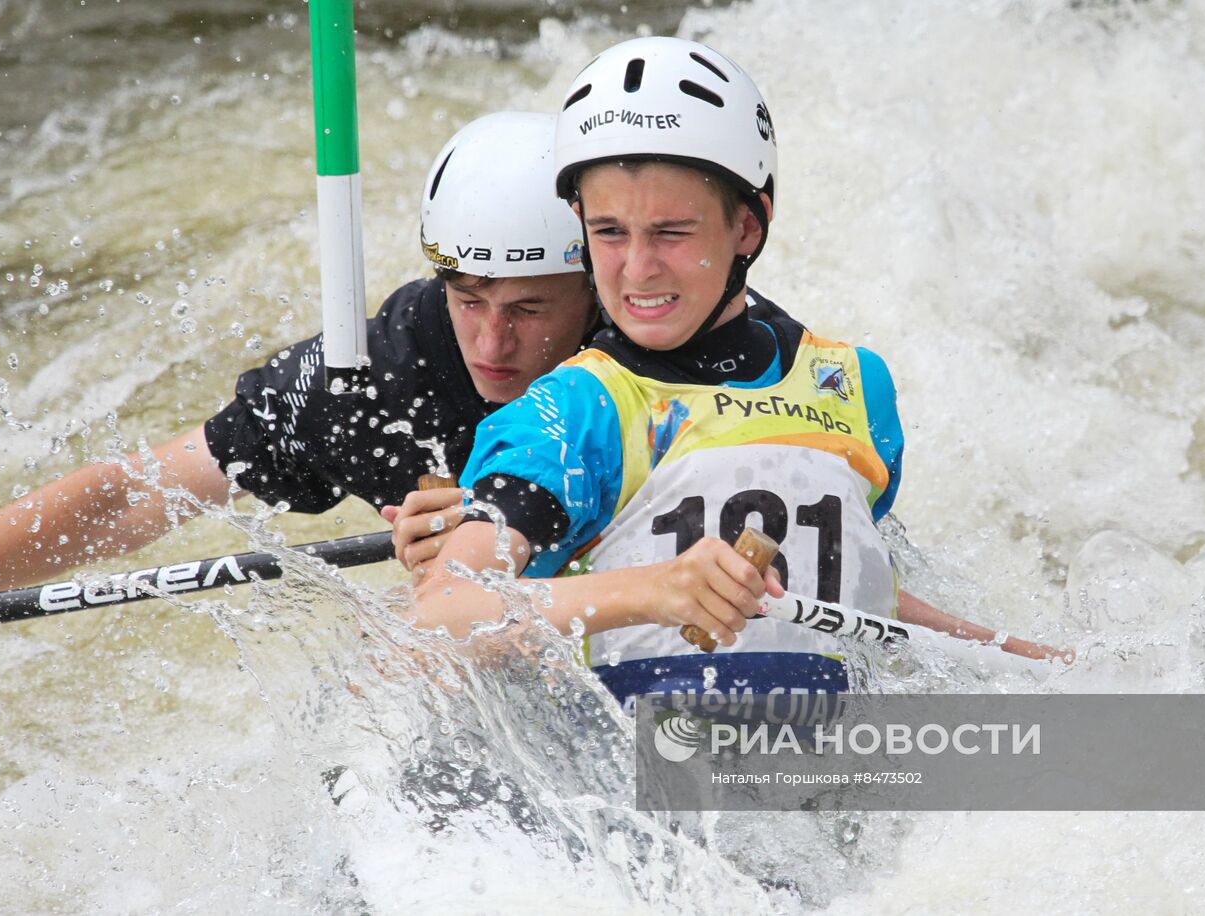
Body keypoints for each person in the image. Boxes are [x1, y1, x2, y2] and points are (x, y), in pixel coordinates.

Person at [403, 38, 1065, 708]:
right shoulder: (574, 410)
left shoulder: (855, 387)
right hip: (631, 793)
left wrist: (1044, 666)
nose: (636, 268)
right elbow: (439, 617)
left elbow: (853, 600)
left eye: (671, 232)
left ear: (747, 228)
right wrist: (653, 590)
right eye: (609, 231)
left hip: (833, 784)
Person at [0, 112, 596, 600]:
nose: (491, 342)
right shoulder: (372, 378)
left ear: (595, 284)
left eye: (529, 310)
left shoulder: (650, 349)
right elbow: (133, 494)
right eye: (469, 299)